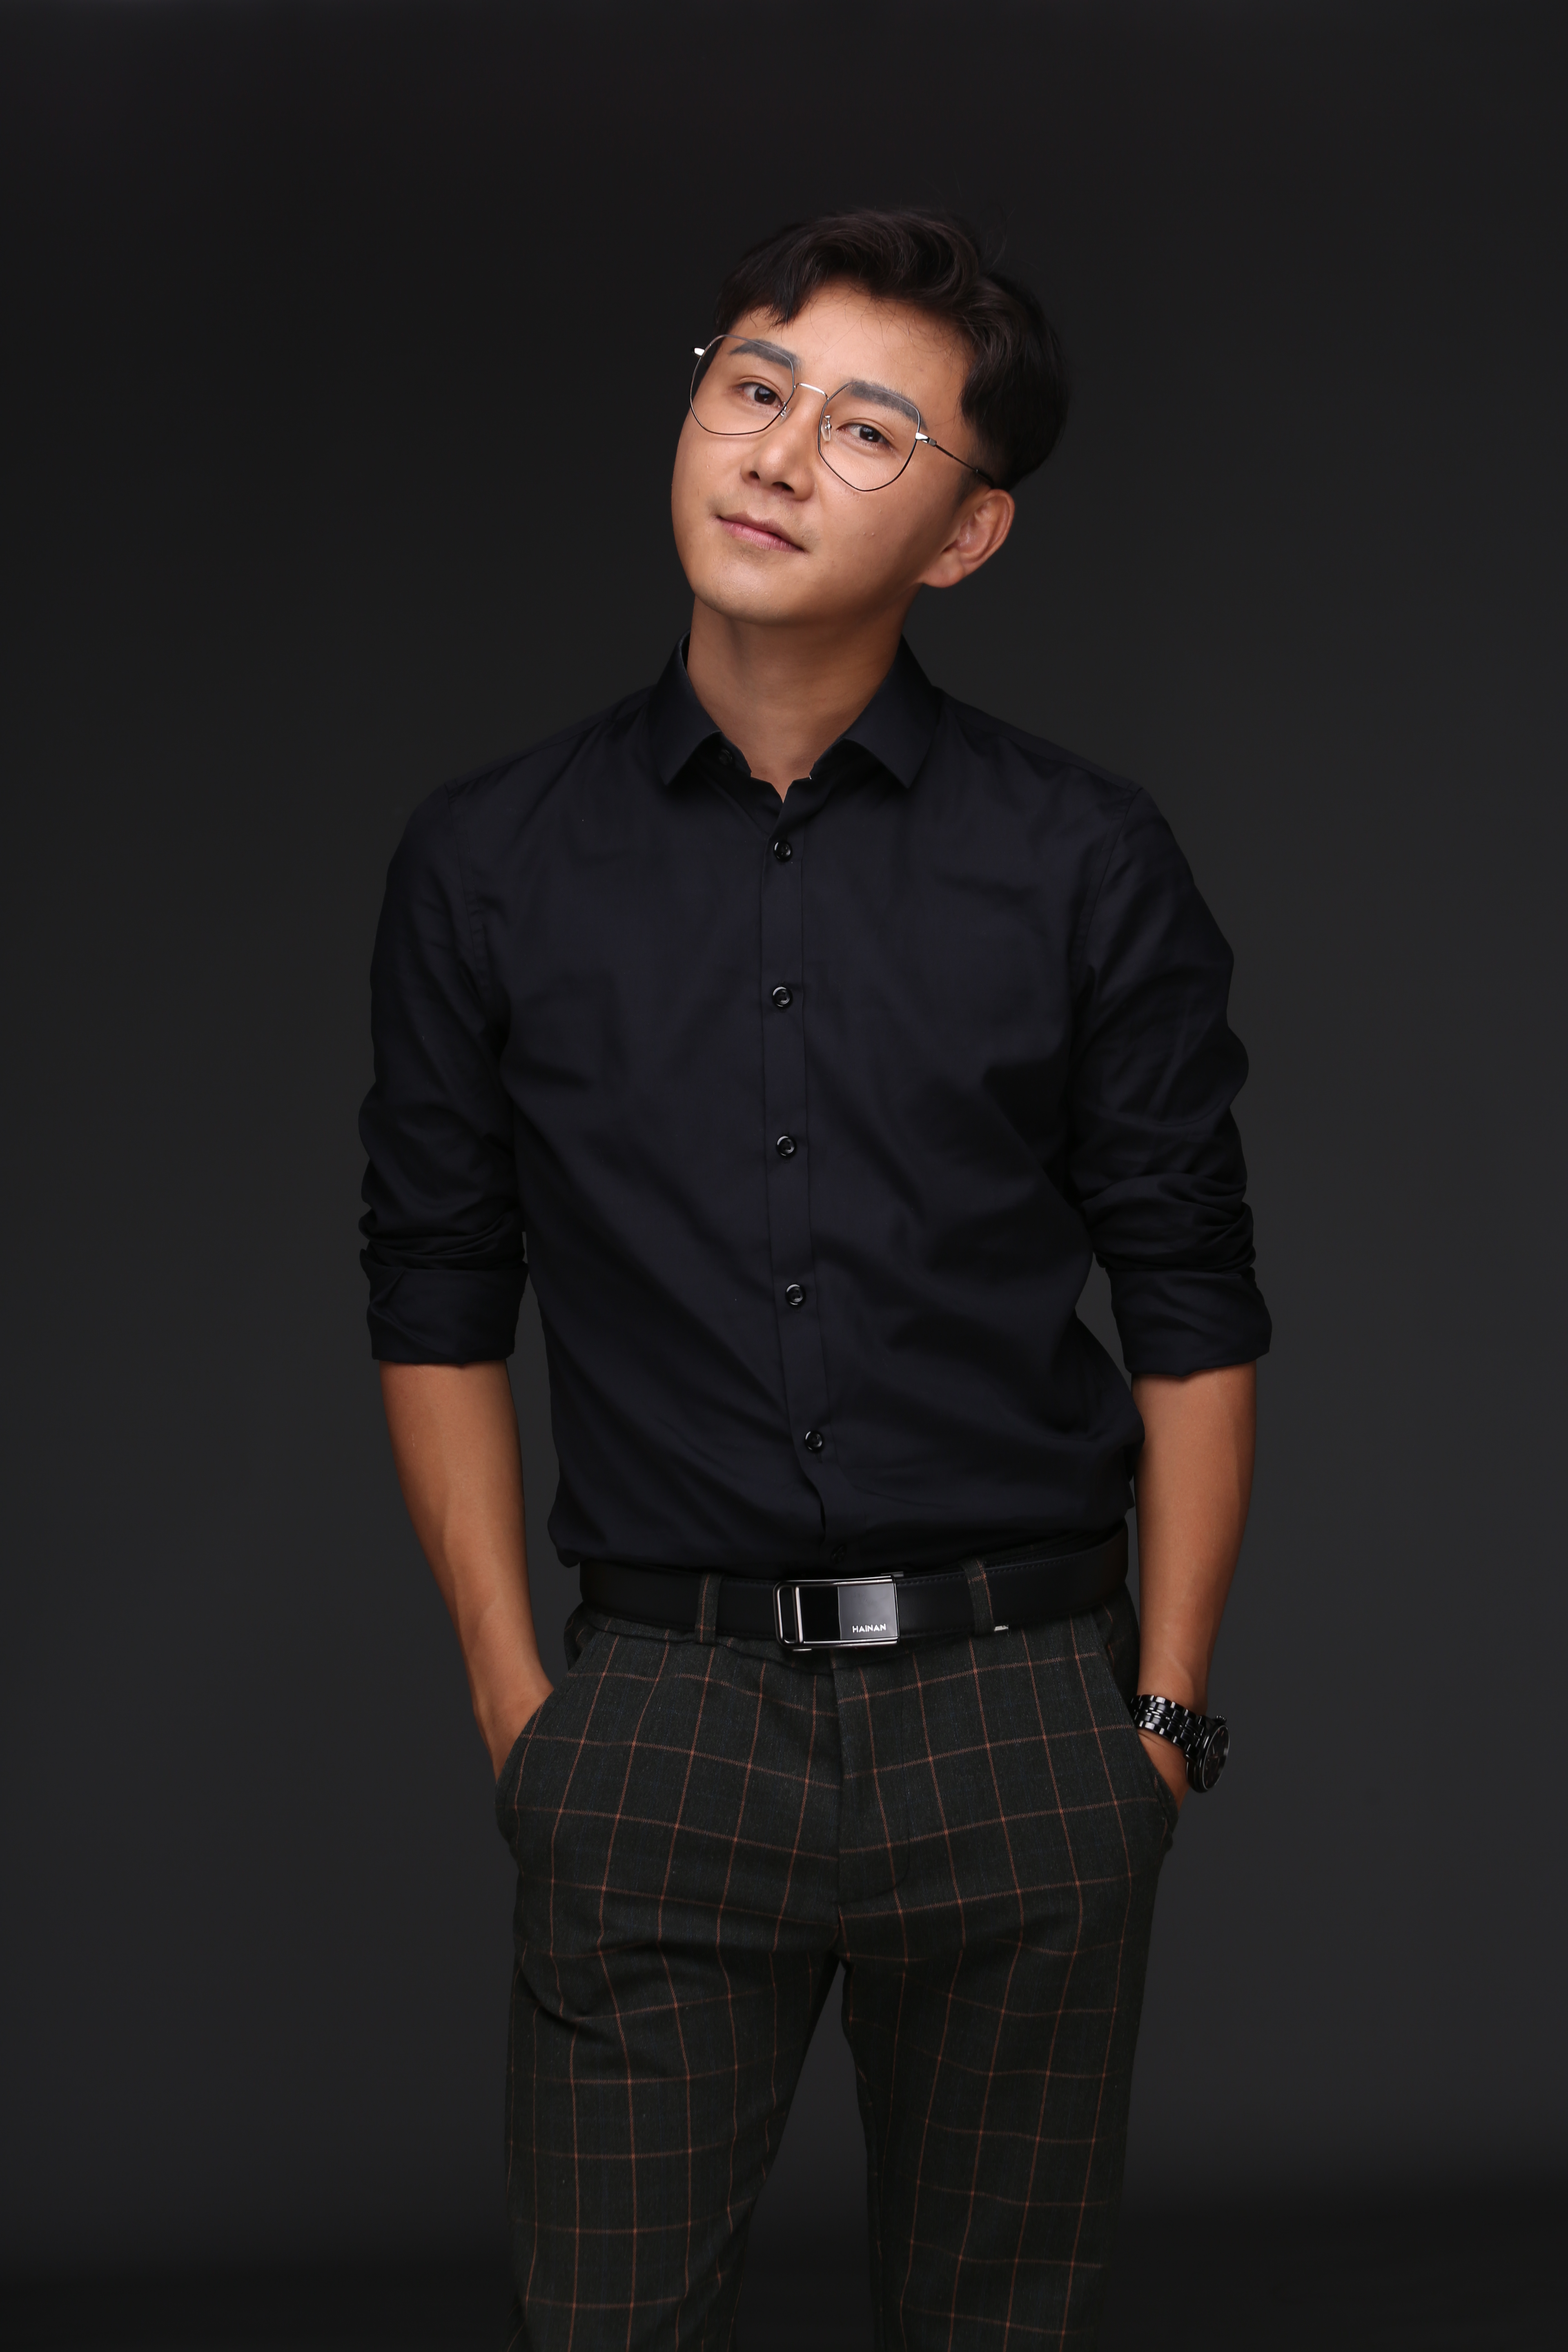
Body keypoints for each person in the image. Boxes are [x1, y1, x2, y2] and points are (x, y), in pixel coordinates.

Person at [359, 209, 1268, 2350]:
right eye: (753, 386)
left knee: (999, 2320)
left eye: (869, 430)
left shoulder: (1083, 858)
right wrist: (518, 1711)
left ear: (967, 533)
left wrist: (1156, 1722)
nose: (775, 452)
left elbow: (1190, 1291)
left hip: (1021, 1712)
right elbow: (436, 1288)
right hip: (658, 1721)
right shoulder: (488, 860)